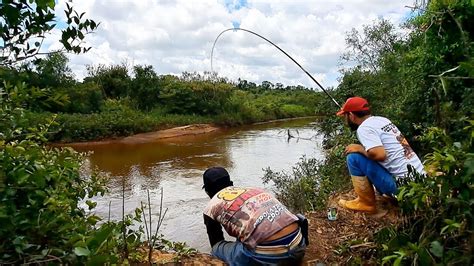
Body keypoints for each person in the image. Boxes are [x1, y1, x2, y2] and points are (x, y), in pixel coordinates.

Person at [202, 167, 308, 265]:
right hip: (299, 245)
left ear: (207, 191)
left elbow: (216, 241)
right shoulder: (253, 190)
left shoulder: (211, 207)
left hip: (269, 257)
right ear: (231, 183)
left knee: (217, 249)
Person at [336, 96, 425, 213]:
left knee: (354, 157)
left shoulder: (364, 128)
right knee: (368, 154)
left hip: (405, 189)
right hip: (421, 182)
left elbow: (380, 155)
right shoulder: (383, 120)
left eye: (345, 116)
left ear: (351, 115)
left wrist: (360, 149)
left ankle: (365, 203)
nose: (345, 120)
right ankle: (388, 194)